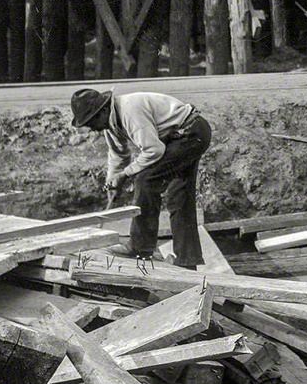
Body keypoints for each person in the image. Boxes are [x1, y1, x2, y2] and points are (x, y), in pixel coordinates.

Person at [69, 86, 211, 264]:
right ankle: (188, 259)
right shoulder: (109, 123)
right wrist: (112, 182)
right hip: (182, 135)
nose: (92, 129)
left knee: (146, 180)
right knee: (179, 195)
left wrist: (125, 175)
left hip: (191, 133)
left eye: (91, 122)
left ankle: (140, 247)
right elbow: (118, 155)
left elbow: (154, 150)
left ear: (103, 110)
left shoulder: (129, 111)